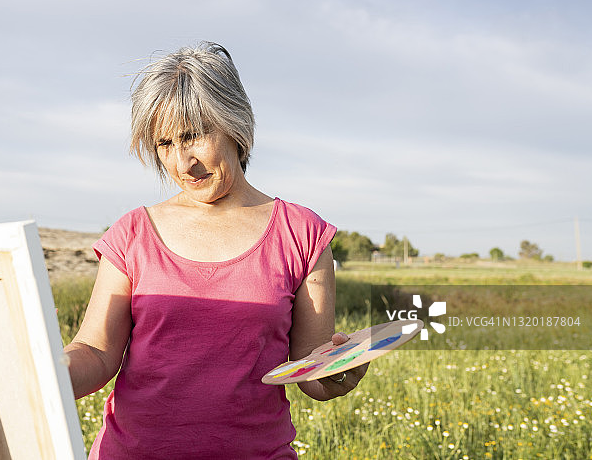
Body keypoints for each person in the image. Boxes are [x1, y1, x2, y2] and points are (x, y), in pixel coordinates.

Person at [64, 42, 368, 459]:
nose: (181, 163)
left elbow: (310, 370)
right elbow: (97, 352)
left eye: (192, 136)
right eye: (164, 144)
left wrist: (337, 375)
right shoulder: (133, 232)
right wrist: (51, 371)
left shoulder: (303, 234)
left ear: (234, 124)